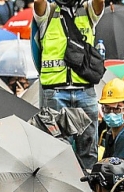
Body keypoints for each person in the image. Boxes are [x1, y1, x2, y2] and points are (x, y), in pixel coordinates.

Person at [34, 0, 104, 170]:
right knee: (54, 151)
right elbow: (38, 3)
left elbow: (99, 3)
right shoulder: (48, 13)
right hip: (55, 92)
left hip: (84, 91)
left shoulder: (87, 11)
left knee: (88, 151)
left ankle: (88, 189)